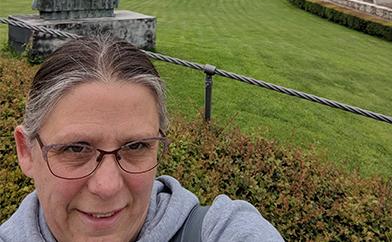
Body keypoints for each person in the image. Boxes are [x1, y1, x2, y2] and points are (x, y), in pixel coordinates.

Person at [0, 36, 284, 241]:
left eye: (136, 146)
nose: (107, 186)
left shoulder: (221, 231)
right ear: (26, 151)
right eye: (75, 148)